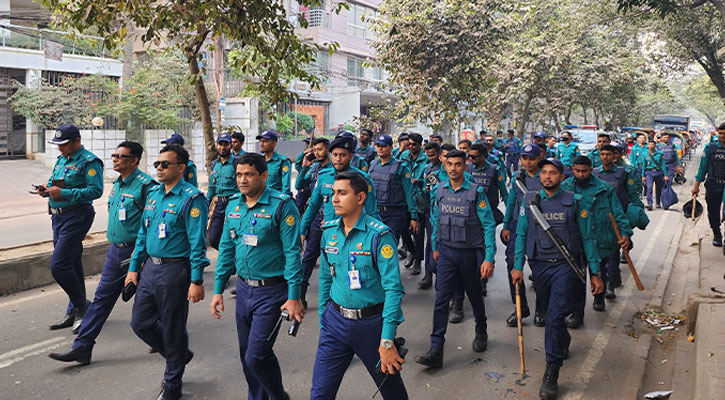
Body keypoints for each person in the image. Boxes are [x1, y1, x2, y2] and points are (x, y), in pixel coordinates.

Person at [48, 141, 154, 365]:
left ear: (134, 160)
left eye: (121, 156)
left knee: (151, 298)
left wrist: (142, 257)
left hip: (137, 252)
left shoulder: (146, 187)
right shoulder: (117, 185)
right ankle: (82, 347)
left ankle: (164, 337)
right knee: (101, 300)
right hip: (115, 252)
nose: (115, 159)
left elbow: (151, 225)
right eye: (114, 155)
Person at [211, 153, 304, 400]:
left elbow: (293, 253)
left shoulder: (282, 205)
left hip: (271, 292)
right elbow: (226, 248)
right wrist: (218, 289)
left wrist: (294, 296)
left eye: (249, 174)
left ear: (264, 175)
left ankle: (278, 396)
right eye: (239, 175)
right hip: (243, 289)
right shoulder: (233, 205)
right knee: (246, 356)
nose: (242, 180)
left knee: (257, 355)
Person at [512, 158, 603, 400]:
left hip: (566, 267)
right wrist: (517, 266)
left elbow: (588, 238)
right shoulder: (530, 201)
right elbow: (521, 233)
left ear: (562, 177)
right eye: (544, 172)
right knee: (551, 314)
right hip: (539, 266)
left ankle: (551, 372)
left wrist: (595, 273)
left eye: (553, 172)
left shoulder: (576, 202)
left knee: (553, 317)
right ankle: (562, 337)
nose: (547, 176)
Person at [311, 171, 408, 399]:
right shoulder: (329, 232)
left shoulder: (378, 236)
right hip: (335, 324)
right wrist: (324, 318)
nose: (335, 199)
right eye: (333, 193)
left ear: (361, 197)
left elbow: (393, 289)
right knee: (320, 394)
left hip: (371, 326)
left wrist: (387, 340)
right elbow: (325, 278)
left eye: (342, 193)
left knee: (392, 392)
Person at [126, 144, 209, 400]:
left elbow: (197, 244)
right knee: (140, 323)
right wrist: (133, 268)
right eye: (157, 164)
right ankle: (179, 355)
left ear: (181, 168)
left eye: (165, 164)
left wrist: (196, 280)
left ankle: (172, 384)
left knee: (173, 329)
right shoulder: (153, 195)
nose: (159, 168)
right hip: (151, 268)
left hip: (175, 270)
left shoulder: (192, 199)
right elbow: (143, 234)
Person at [414, 150, 496, 369]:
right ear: (444, 164)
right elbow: (435, 219)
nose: (453, 168)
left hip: (469, 253)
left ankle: (481, 330)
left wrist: (489, 257)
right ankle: (436, 349)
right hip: (447, 252)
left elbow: (488, 225)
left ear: (465, 165)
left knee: (474, 295)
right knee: (441, 300)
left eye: (458, 164)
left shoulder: (476, 192)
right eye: (449, 164)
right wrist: (435, 246)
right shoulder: (439, 190)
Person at [40, 124, 103, 333]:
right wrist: (46, 190)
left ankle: (82, 306)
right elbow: (56, 183)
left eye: (64, 144)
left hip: (77, 216)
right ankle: (75, 309)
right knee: (72, 262)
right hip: (58, 217)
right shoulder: (61, 160)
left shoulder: (89, 162)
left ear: (77, 141)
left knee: (59, 265)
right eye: (58, 144)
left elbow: (95, 190)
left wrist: (64, 194)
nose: (60, 148)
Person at [562, 157, 631, 327]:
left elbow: (618, 212)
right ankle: (577, 313)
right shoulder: (565, 188)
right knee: (578, 279)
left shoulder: (604, 189)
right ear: (573, 169)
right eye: (577, 171)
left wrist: (625, 233)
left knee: (599, 271)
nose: (581, 174)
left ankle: (599, 297)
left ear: (591, 169)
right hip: (575, 241)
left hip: (600, 238)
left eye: (584, 171)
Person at [501, 144, 543, 327]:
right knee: (513, 264)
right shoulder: (518, 177)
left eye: (532, 158)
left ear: (539, 158)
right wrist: (506, 225)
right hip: (518, 226)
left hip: (540, 227)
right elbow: (511, 202)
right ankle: (520, 306)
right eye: (525, 158)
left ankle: (541, 309)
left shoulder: (545, 176)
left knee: (539, 269)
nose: (528, 162)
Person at [594, 144, 643, 293]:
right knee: (600, 257)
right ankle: (604, 285)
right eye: (603, 154)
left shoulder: (624, 172)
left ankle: (610, 286)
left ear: (614, 156)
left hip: (617, 218)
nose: (606, 157)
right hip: (599, 220)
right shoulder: (594, 173)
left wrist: (637, 209)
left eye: (609, 154)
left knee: (613, 253)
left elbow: (632, 192)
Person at [296, 138, 333, 307]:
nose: (317, 152)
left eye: (320, 149)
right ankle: (300, 294)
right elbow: (299, 185)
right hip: (316, 218)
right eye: (315, 150)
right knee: (309, 257)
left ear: (328, 150)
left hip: (332, 220)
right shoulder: (314, 168)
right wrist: (304, 166)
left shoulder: (335, 170)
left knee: (332, 257)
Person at [369, 134, 419, 243]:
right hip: (375, 213)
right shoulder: (373, 165)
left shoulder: (401, 167)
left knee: (388, 244)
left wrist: (413, 217)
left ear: (391, 147)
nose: (380, 148)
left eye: (383, 146)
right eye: (378, 146)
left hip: (394, 214)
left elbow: (409, 193)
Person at [398, 133, 428, 274]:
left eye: (414, 144)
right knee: (403, 229)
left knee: (418, 233)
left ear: (420, 145)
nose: (410, 147)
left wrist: (419, 181)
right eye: (409, 144)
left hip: (419, 199)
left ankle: (418, 261)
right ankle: (412, 251)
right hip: (404, 198)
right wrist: (400, 149)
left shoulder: (425, 159)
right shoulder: (404, 156)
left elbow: (429, 177)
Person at [692, 124, 725, 247]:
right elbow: (702, 168)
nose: (722, 136)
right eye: (720, 133)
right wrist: (696, 186)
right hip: (713, 185)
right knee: (713, 211)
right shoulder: (710, 148)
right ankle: (717, 234)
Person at [207, 133, 238, 250]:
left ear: (231, 146)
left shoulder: (237, 163)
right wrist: (206, 205)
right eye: (220, 144)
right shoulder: (214, 164)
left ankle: (233, 259)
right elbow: (211, 187)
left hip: (233, 203)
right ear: (217, 145)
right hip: (219, 205)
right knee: (214, 239)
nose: (223, 147)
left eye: (226, 144)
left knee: (233, 235)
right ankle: (228, 256)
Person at [257, 130, 292, 196]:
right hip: (261, 197)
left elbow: (286, 187)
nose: (261, 144)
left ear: (273, 143)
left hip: (275, 198)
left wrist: (283, 200)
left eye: (265, 141)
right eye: (260, 141)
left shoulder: (282, 161)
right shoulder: (259, 160)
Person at [642, 140, 668, 210]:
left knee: (658, 188)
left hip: (658, 172)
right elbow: (644, 165)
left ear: (655, 145)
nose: (651, 146)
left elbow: (663, 165)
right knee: (649, 188)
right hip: (649, 172)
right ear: (648, 146)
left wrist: (665, 175)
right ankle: (650, 203)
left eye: (652, 145)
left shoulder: (660, 154)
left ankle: (658, 202)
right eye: (649, 145)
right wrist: (643, 175)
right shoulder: (645, 154)